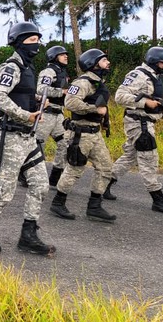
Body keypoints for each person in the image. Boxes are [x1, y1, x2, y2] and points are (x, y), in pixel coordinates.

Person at [0, 22, 55, 255]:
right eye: (31, 40)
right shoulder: (11, 67)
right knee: (4, 190)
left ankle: (28, 235)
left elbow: (22, 94)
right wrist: (25, 114)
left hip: (28, 138)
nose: (36, 43)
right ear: (18, 42)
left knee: (40, 184)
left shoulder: (28, 68)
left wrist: (38, 100)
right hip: (11, 136)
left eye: (38, 39)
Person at [106, 46, 163, 215]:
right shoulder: (138, 75)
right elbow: (119, 96)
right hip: (138, 124)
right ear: (154, 61)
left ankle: (103, 185)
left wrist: (162, 114)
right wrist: (145, 103)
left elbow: (151, 105)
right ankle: (158, 199)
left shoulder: (155, 76)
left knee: (130, 157)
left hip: (144, 122)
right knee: (149, 160)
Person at [49, 48, 116, 223]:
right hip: (81, 133)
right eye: (103, 60)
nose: (107, 63)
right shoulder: (83, 82)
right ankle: (58, 203)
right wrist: (94, 109)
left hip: (95, 133)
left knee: (106, 168)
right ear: (93, 64)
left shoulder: (98, 82)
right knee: (74, 169)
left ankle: (94, 207)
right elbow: (70, 102)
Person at [36, 45, 70, 189]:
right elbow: (41, 89)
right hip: (47, 113)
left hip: (59, 114)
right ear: (54, 56)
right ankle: (29, 175)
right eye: (63, 54)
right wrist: (61, 92)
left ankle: (54, 178)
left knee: (65, 143)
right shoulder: (49, 71)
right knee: (38, 145)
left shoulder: (63, 72)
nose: (66, 56)